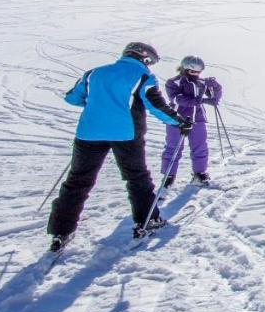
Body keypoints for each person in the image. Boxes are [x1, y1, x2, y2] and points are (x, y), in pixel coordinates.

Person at [47, 41, 190, 251]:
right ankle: (147, 220)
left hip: (89, 132)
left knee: (78, 180)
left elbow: (72, 98)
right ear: (146, 59)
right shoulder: (143, 76)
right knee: (136, 177)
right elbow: (155, 104)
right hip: (126, 134)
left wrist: (98, 103)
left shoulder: (93, 73)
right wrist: (179, 121)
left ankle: (61, 230)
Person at [161, 56, 222, 188]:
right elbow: (178, 99)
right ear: (184, 69)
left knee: (200, 147)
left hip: (197, 118)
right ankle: (168, 176)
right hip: (177, 119)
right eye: (192, 71)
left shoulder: (201, 83)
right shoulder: (174, 82)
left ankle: (199, 173)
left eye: (198, 72)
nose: (196, 74)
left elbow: (214, 99)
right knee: (173, 147)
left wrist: (216, 87)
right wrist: (200, 100)